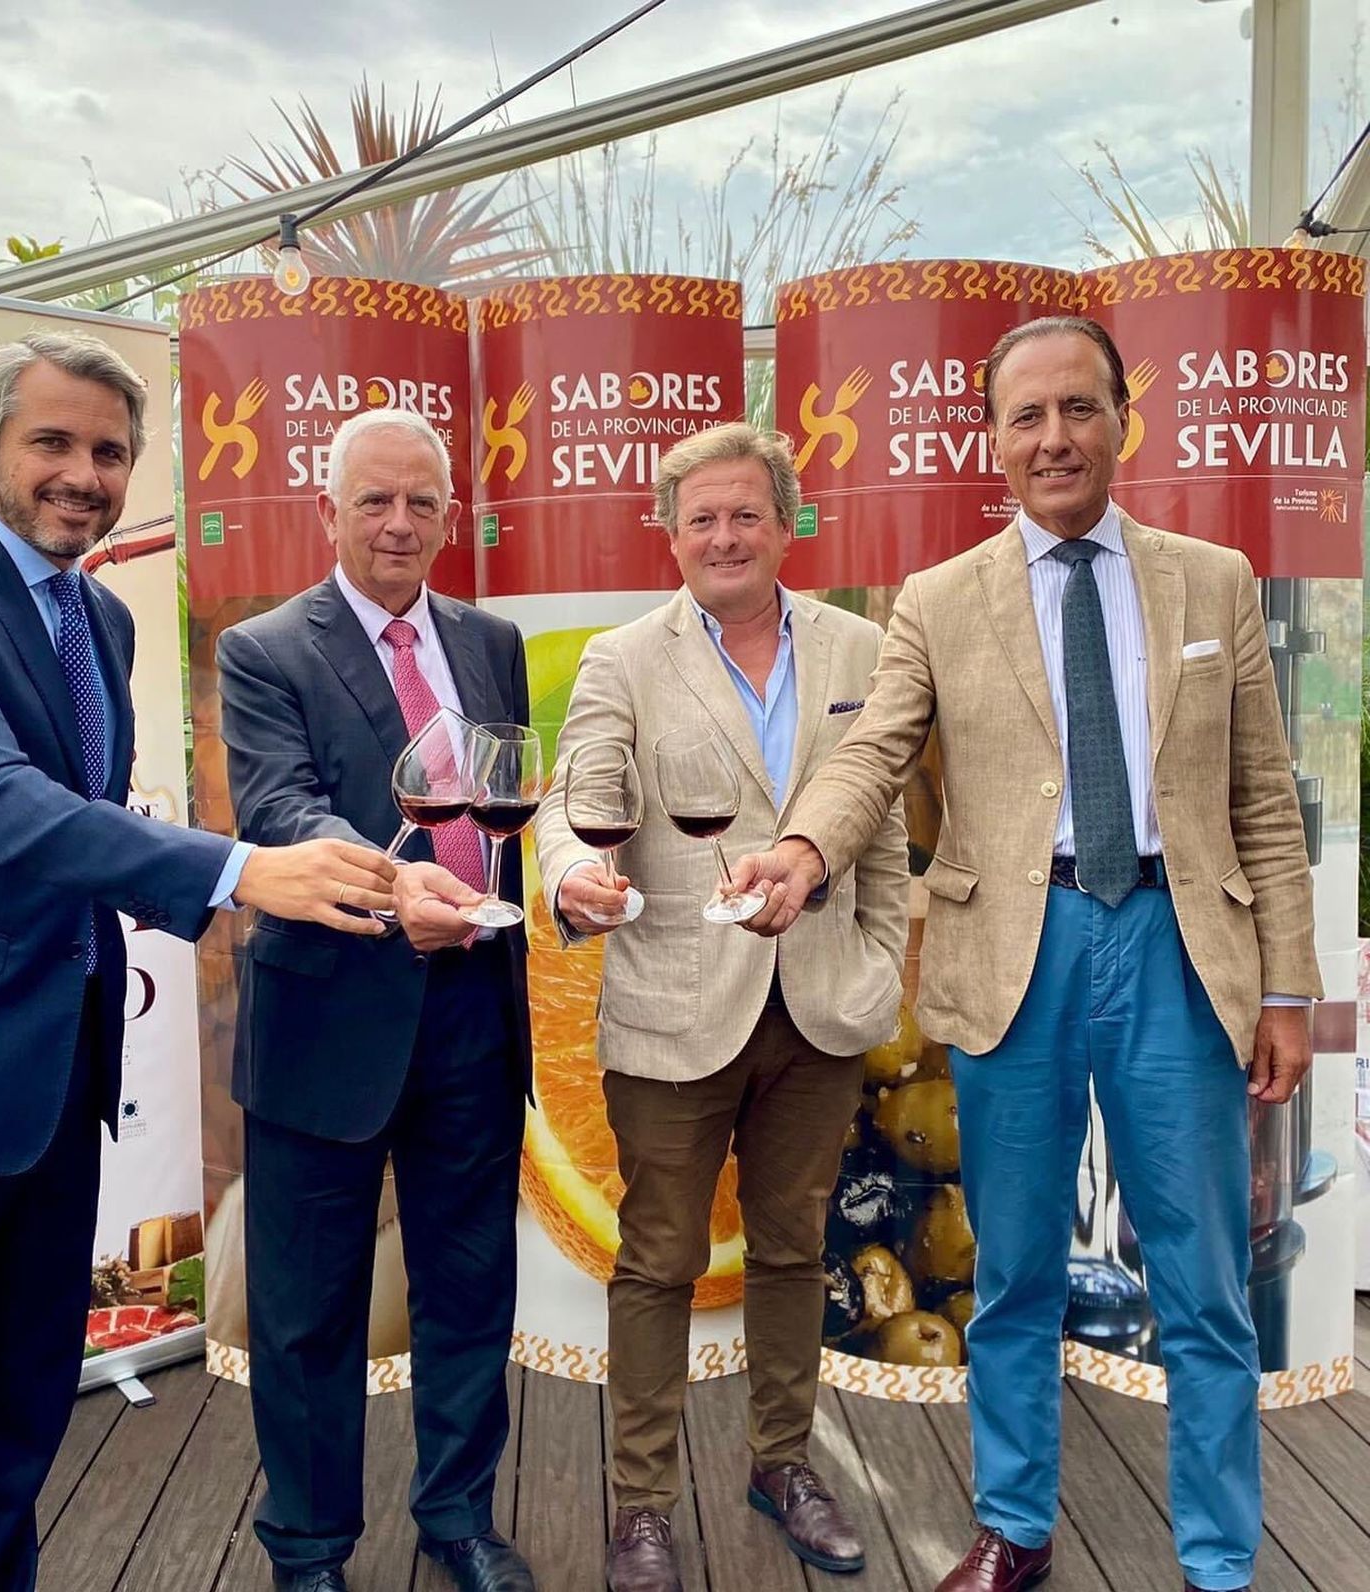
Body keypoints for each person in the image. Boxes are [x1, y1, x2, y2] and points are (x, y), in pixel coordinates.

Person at [0, 330, 397, 1592]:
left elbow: (82, 830)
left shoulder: (99, 617)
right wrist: (239, 870)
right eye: (51, 441)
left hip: (50, 1094)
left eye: (109, 452)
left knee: (3, 1446)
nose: (83, 474)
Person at [731, 317, 1321, 1592]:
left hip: (1176, 945)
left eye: (1078, 407)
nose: (1054, 437)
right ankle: (1013, 1526)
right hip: (1016, 950)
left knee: (1202, 1279)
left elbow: (1263, 797)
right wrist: (804, 849)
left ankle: (1219, 1556)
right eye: (1027, 415)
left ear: (1121, 420)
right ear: (993, 439)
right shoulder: (940, 598)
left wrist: (1286, 987)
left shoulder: (1212, 578)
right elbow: (873, 753)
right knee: (1011, 1275)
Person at [533, 423, 910, 1592]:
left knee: (794, 1244)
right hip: (674, 1005)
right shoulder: (622, 658)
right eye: (700, 517)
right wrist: (571, 873)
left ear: (786, 524)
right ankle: (642, 1501)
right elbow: (577, 792)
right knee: (656, 1258)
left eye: (746, 513)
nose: (724, 535)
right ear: (671, 533)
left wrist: (878, 955)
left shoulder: (860, 645)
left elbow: (883, 819)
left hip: (821, 1003)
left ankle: (780, 1462)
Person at [217, 407, 535, 1592]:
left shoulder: (491, 641)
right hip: (328, 1014)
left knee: (469, 1285)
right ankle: (308, 1546)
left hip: (471, 1011)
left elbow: (505, 803)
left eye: (421, 502)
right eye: (374, 500)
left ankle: (459, 1516)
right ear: (329, 511)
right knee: (308, 1307)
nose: (399, 523)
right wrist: (397, 887)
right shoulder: (264, 649)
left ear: (452, 515)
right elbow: (279, 807)